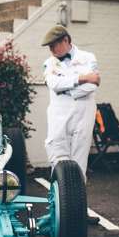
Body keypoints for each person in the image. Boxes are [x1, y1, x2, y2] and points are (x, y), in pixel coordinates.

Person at [41, 25, 100, 224]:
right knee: (57, 160)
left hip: (83, 116)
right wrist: (81, 79)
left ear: (65, 40)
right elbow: (54, 85)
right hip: (59, 118)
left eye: (54, 45)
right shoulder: (49, 63)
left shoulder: (88, 57)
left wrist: (68, 86)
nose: (51, 50)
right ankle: (55, 212)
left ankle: (79, 213)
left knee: (79, 165)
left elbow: (93, 85)